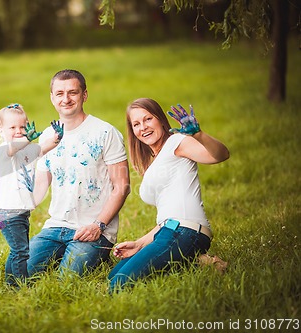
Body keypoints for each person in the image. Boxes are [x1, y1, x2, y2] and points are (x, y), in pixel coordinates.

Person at [108, 98, 229, 292]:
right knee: (113, 275)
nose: (143, 127)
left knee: (120, 283)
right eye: (136, 124)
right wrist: (140, 244)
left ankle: (196, 260)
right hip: (169, 230)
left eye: (148, 119)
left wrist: (198, 135)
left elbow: (220, 155)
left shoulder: (177, 142)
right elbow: (167, 218)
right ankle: (199, 262)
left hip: (187, 232)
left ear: (161, 120)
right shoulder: (155, 160)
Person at [27, 69, 130, 277]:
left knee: (68, 279)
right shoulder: (48, 136)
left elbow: (122, 186)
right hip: (55, 227)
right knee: (19, 273)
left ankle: (96, 253)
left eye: (72, 93)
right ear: (52, 98)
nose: (66, 99)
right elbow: (39, 188)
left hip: (94, 229)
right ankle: (60, 253)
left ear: (84, 95)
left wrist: (98, 225)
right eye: (60, 93)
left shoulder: (106, 132)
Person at [0, 103, 63, 286]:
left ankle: (11, 284)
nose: (18, 131)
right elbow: (13, 148)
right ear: (1, 130)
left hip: (21, 212)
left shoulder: (26, 152)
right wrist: (27, 138)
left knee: (18, 251)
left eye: (22, 127)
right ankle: (20, 286)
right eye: (12, 127)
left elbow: (42, 148)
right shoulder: (4, 150)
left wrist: (57, 138)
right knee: (21, 252)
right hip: (9, 213)